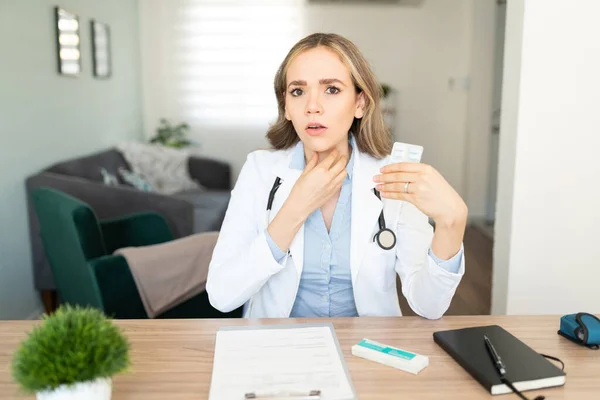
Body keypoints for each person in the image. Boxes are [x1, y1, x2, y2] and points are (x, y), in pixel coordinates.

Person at [206, 33, 467, 319]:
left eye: (331, 89)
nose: (312, 106)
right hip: (276, 347)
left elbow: (428, 305)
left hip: (367, 350)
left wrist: (451, 224)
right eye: (298, 91)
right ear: (286, 107)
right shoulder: (259, 171)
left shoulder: (393, 175)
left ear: (360, 103)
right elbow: (222, 295)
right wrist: (295, 209)